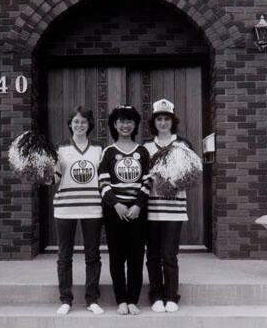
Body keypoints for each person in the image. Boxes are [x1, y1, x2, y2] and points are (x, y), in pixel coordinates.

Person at [98, 105, 151, 315]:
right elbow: (103, 182)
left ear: (135, 124)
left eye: (129, 121)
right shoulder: (108, 152)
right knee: (117, 257)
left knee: (136, 257)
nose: (125, 125)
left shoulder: (142, 151)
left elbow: (148, 181)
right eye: (121, 121)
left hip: (137, 212)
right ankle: (121, 299)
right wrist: (115, 204)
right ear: (114, 124)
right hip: (115, 212)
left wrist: (138, 204)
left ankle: (132, 300)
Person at [52, 106, 104, 315]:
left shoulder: (98, 150)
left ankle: (92, 299)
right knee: (65, 256)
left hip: (92, 208)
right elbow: (53, 179)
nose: (80, 125)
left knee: (93, 255)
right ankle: (66, 299)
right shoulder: (60, 149)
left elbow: (103, 179)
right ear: (70, 124)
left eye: (83, 122)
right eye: (76, 121)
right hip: (65, 208)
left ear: (89, 125)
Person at [143, 99, 193, 313]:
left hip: (174, 208)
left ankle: (172, 295)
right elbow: (142, 178)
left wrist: (173, 182)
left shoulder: (183, 145)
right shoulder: (146, 147)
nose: (163, 122)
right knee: (153, 254)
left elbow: (192, 175)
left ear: (173, 121)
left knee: (169, 255)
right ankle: (156, 295)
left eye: (167, 119)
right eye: (159, 119)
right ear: (154, 122)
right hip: (152, 208)